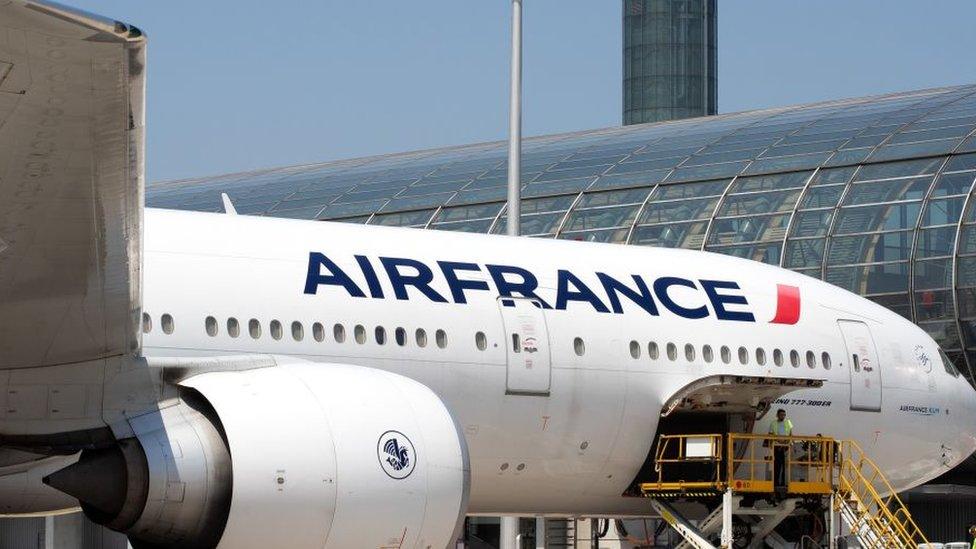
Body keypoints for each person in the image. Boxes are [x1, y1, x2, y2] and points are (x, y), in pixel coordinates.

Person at [768, 409, 793, 492]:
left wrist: (786, 442)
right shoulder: (773, 423)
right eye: (781, 414)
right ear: (777, 415)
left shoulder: (788, 422)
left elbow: (790, 434)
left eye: (784, 415)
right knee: (777, 466)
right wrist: (779, 441)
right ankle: (776, 482)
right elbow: (771, 434)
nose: (783, 416)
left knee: (785, 466)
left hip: (786, 447)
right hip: (777, 446)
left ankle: (783, 482)